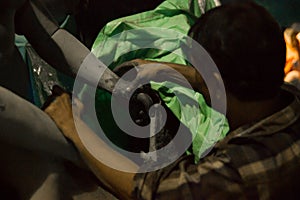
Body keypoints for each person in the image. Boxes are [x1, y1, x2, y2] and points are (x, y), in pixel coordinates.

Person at [45, 2, 300, 199]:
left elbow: (156, 192)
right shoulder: (289, 100)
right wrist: (168, 71)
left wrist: (73, 127)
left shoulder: (240, 171)